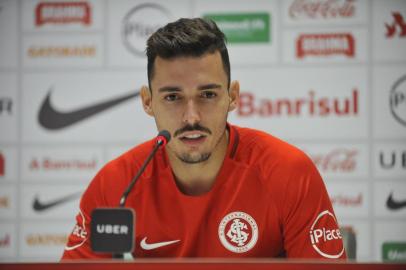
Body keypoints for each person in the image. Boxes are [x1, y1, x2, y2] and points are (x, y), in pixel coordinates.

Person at [62, 18, 346, 259]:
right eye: (172, 97)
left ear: (232, 96)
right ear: (147, 102)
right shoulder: (116, 186)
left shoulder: (287, 172)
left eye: (208, 95)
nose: (191, 117)